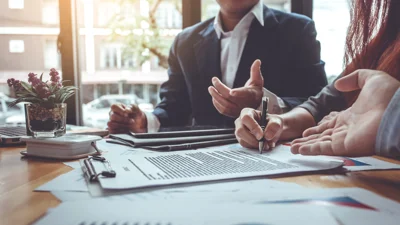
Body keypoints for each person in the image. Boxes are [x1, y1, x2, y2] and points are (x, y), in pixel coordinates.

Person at [108, 0, 327, 134]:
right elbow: (174, 106)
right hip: (200, 162)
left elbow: (319, 102)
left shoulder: (297, 30)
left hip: (272, 157)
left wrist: (265, 103)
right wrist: (145, 122)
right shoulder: (185, 41)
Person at [234, 0, 400, 158]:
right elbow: (320, 105)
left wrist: (392, 120)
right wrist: (277, 123)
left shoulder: (296, 27)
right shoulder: (386, 40)